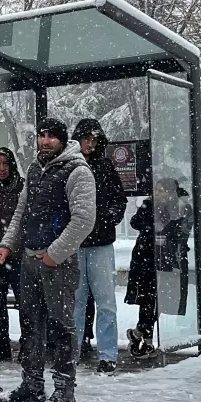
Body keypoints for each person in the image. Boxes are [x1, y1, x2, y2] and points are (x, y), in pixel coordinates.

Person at [0, 118, 96, 402]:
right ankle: (32, 384)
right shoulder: (34, 168)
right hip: (28, 258)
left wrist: (55, 254)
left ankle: (65, 391)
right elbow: (21, 211)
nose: (45, 141)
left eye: (52, 136)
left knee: (61, 327)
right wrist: (7, 243)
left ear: (63, 140)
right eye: (41, 135)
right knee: (30, 324)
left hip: (58, 263)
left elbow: (83, 220)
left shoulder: (78, 171)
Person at [68, 119, 127, 374]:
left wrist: (108, 218)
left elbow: (118, 200)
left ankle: (107, 354)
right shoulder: (69, 166)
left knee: (105, 301)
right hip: (75, 243)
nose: (89, 143)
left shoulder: (105, 167)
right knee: (75, 301)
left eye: (93, 139)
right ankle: (73, 350)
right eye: (85, 138)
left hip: (101, 243)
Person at [125, 177, 191, 359]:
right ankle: (145, 340)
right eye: (158, 190)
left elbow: (184, 230)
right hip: (146, 257)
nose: (160, 194)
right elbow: (134, 222)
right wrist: (151, 225)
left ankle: (138, 333)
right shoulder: (148, 205)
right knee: (148, 299)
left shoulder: (181, 207)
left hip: (168, 258)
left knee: (160, 300)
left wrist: (167, 228)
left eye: (164, 190)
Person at [0, 147, 27, 362]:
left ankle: (28, 342)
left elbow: (26, 223)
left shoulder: (23, 188)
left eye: (5, 164)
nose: (1, 168)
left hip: (19, 256)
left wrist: (14, 247)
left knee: (25, 302)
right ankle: (1, 344)